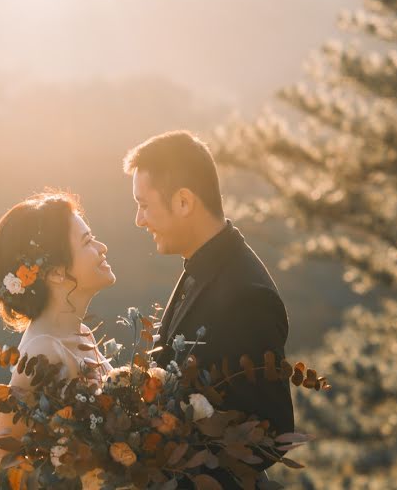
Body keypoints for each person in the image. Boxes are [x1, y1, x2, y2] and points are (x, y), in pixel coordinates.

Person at [124, 130, 294, 487]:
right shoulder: (202, 266)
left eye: (144, 204)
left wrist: (182, 433)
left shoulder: (247, 294)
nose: (139, 220)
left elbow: (273, 433)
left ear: (184, 202)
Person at [0, 192, 116, 459]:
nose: (102, 247)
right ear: (55, 272)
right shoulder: (42, 351)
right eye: (87, 241)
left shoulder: (81, 334)